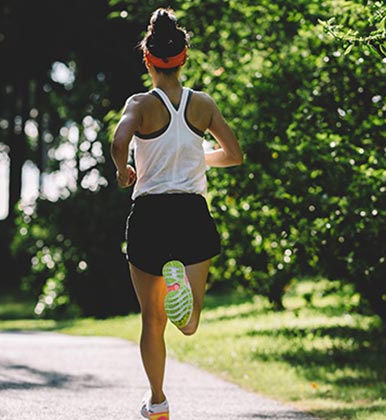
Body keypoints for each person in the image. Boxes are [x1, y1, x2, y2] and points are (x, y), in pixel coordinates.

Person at [110, 8, 243, 419]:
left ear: (147, 60)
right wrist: (196, 158)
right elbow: (234, 155)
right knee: (189, 323)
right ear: (184, 58)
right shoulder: (201, 104)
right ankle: (181, 297)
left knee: (152, 321)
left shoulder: (140, 104)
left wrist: (123, 170)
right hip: (191, 212)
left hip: (150, 213)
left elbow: (119, 141)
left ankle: (158, 402)